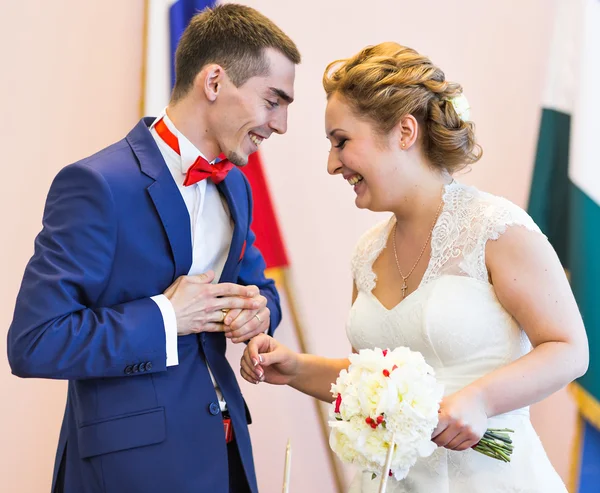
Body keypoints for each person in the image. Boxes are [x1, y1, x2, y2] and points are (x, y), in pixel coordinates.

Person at [240, 42, 588, 492]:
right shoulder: (367, 253)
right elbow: (377, 386)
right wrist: (297, 368)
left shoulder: (497, 229)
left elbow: (569, 349)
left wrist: (480, 399)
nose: (331, 164)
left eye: (341, 141)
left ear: (405, 132)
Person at [7, 4, 300, 493]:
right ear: (214, 82)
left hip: (225, 455)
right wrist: (166, 316)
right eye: (273, 100)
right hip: (129, 471)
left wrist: (259, 313)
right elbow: (34, 341)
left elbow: (257, 288)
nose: (282, 123)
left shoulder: (238, 186)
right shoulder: (96, 185)